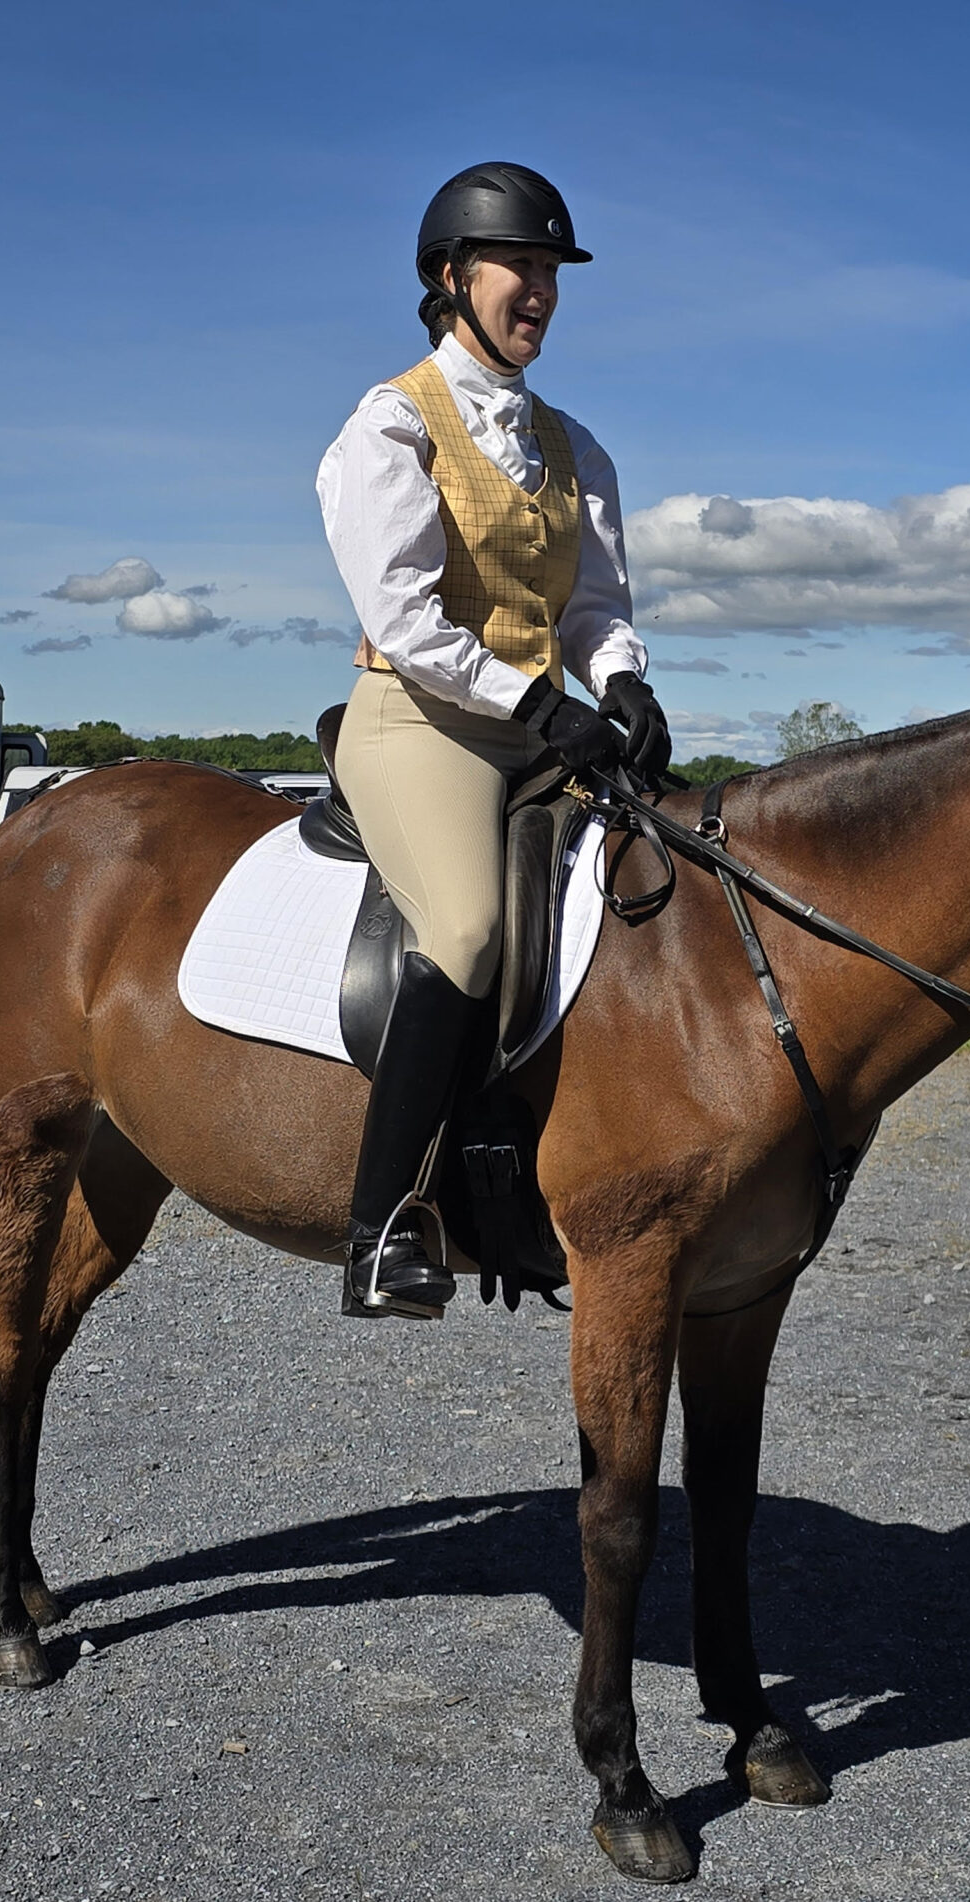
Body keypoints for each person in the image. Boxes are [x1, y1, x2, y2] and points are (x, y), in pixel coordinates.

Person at [316, 161, 673, 1320]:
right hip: (420, 722)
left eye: (552, 271)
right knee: (467, 931)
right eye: (518, 265)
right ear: (448, 277)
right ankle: (383, 1226)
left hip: (539, 729)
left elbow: (594, 606)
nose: (540, 290)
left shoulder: (575, 449)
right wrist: (534, 702)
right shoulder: (387, 426)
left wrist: (621, 685)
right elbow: (406, 621)